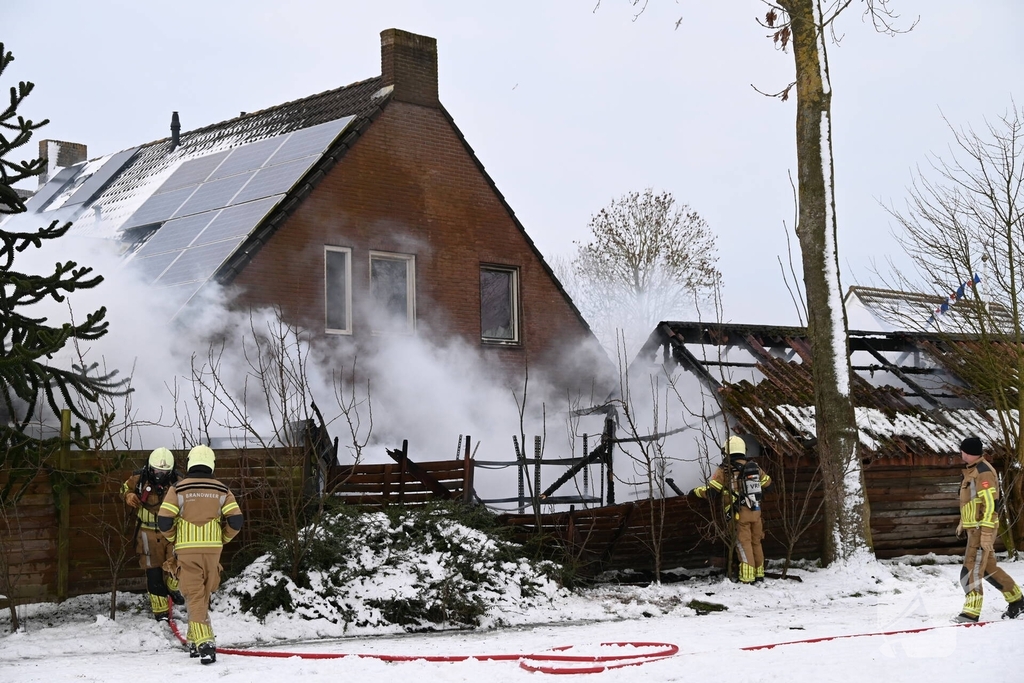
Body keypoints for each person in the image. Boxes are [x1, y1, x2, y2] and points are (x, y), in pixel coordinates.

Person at [158, 444, 243, 665]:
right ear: (211, 464)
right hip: (213, 550)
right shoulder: (223, 490)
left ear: (189, 463)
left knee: (194, 595)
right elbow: (236, 520)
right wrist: (223, 538)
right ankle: (195, 641)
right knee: (203, 593)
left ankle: (205, 643)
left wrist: (174, 538)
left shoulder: (177, 489)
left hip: (187, 550)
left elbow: (164, 520)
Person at [953, 436, 1024, 622]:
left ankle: (970, 613)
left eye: (962, 450)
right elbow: (971, 502)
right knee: (987, 568)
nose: (960, 453)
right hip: (974, 528)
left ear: (967, 452)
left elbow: (991, 505)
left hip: (981, 529)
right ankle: (1018, 601)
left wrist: (985, 533)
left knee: (971, 570)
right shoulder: (972, 471)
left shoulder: (983, 472)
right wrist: (963, 523)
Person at [691, 435, 773, 584]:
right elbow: (768, 485)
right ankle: (759, 573)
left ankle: (747, 577)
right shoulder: (753, 466)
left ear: (727, 451)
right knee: (756, 542)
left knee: (743, 544)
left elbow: (712, 492)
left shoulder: (725, 469)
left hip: (739, 514)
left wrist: (696, 492)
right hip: (756, 511)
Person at [121, 447, 183, 621]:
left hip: (172, 532)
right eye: (156, 470)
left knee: (178, 566)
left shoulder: (178, 481)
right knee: (153, 572)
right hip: (147, 532)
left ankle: (173, 588)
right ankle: (161, 612)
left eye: (164, 471)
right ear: (150, 467)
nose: (159, 474)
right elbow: (124, 488)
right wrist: (129, 495)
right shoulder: (138, 478)